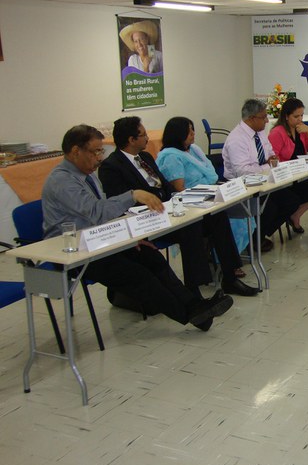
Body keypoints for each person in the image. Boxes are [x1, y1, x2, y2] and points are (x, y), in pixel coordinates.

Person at [42, 125, 232, 331]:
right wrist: (133, 194)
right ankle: (192, 314)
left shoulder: (85, 175)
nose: (99, 158)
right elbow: (96, 212)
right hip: (74, 252)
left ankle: (195, 306)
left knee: (151, 257)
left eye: (100, 151)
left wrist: (128, 238)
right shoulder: (62, 180)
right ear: (76, 151)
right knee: (138, 275)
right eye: (95, 151)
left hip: (98, 240)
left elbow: (103, 216)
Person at [99, 117, 256, 297]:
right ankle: (194, 291)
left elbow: (166, 186)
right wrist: (158, 197)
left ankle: (229, 277)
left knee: (217, 216)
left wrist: (170, 198)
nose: (147, 138)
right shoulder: (111, 167)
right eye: (143, 135)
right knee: (191, 227)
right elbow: (120, 202)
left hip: (167, 211)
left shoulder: (145, 157)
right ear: (131, 140)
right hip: (145, 221)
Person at [223, 98, 301, 252]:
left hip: (264, 180)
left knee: (292, 201)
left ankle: (259, 234)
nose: (267, 121)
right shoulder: (237, 139)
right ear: (252, 118)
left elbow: (271, 154)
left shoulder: (260, 133)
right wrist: (267, 165)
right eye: (263, 117)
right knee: (270, 208)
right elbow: (242, 171)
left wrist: (271, 161)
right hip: (242, 186)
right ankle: (251, 240)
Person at [267, 97, 308, 233]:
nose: (300, 119)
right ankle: (293, 216)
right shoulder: (277, 133)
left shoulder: (300, 130)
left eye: (301, 115)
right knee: (307, 192)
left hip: (302, 172)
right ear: (286, 116)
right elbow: (273, 159)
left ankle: (295, 215)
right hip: (287, 175)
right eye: (296, 116)